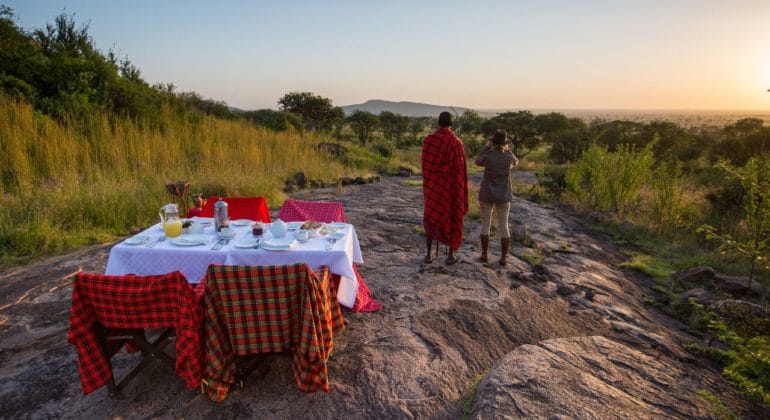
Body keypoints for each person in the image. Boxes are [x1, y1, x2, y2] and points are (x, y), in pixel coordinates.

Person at [421, 111, 468, 264]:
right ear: (451, 123)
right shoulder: (456, 142)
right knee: (452, 216)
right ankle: (450, 256)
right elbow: (460, 170)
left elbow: (425, 166)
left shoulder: (428, 140)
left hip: (433, 189)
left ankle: (428, 255)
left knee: (431, 217)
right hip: (450, 190)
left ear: (438, 123)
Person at [475, 129, 519, 265]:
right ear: (505, 142)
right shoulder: (509, 156)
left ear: (492, 142)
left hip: (487, 193)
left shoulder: (488, 155)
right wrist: (508, 150)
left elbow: (477, 161)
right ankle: (504, 257)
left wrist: (486, 147)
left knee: (485, 224)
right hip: (504, 194)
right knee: (504, 225)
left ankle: (484, 255)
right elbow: (516, 162)